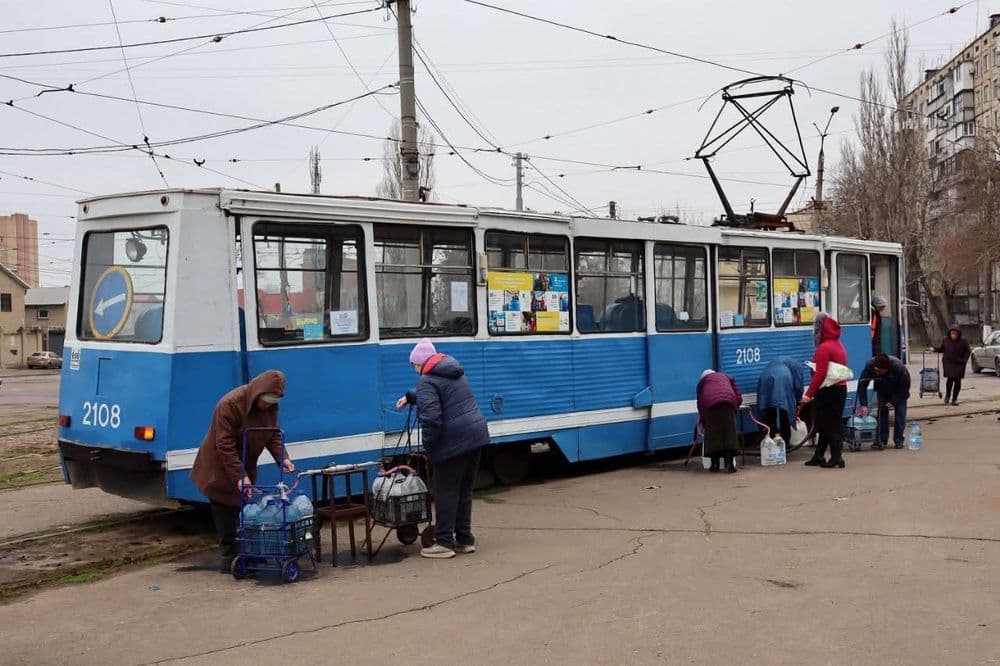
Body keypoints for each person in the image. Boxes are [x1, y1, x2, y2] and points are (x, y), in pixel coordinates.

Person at [190, 370, 294, 572]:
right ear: (258, 393)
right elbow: (224, 444)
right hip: (219, 466)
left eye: (273, 402)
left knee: (245, 510)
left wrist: (283, 458)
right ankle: (230, 558)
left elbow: (272, 434)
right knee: (225, 510)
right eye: (266, 401)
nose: (268, 406)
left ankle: (249, 553)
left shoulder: (270, 408)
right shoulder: (230, 404)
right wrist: (240, 476)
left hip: (244, 464)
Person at [396, 339, 489, 559]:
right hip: (475, 436)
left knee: (445, 491)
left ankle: (444, 542)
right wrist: (411, 396)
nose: (414, 368)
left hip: (453, 441)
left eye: (413, 364)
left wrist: (430, 447)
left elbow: (432, 418)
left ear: (419, 363)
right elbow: (442, 392)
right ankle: (464, 539)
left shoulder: (426, 381)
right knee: (463, 491)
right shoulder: (454, 372)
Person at [803, 312, 849, 468]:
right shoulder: (839, 345)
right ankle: (819, 455)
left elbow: (820, 374)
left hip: (828, 391)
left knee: (829, 425)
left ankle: (836, 457)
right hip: (840, 388)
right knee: (827, 423)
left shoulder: (823, 348)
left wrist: (808, 393)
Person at [857, 354, 911, 450]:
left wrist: (893, 401)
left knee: (900, 415)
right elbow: (862, 385)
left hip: (899, 391)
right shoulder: (870, 365)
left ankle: (898, 440)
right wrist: (864, 404)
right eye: (876, 371)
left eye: (880, 371)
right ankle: (882, 440)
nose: (877, 373)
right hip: (882, 390)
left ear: (887, 368)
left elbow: (905, 389)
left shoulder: (898, 368)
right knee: (882, 414)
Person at [695, 369, 742, 473]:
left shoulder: (702, 383)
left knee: (713, 436)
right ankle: (730, 465)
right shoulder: (727, 377)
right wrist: (735, 409)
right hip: (728, 404)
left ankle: (715, 465)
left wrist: (704, 420)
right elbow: (738, 395)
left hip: (711, 407)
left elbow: (700, 403)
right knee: (729, 434)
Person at [755, 356, 805, 445]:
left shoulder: (775, 363)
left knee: (770, 412)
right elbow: (798, 386)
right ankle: (785, 442)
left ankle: (770, 441)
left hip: (765, 377)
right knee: (784, 413)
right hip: (783, 378)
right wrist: (798, 401)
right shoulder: (797, 367)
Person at [931, 326, 972, 405]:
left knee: (957, 381)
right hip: (948, 363)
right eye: (952, 333)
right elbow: (942, 349)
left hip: (959, 363)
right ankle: (947, 396)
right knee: (950, 380)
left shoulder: (963, 341)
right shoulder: (946, 340)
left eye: (955, 334)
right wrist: (935, 349)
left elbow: (968, 351)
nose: (953, 335)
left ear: (958, 334)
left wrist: (964, 360)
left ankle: (954, 398)